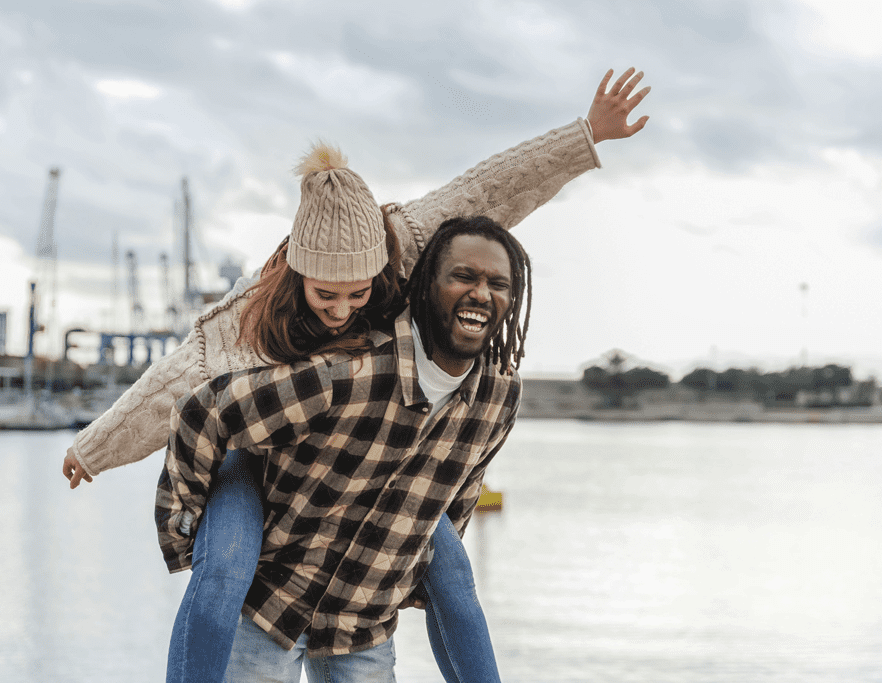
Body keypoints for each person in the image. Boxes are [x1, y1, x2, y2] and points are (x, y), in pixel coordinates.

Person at [63, 67, 651, 682]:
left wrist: (585, 136)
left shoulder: (408, 242)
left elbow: (489, 193)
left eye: (357, 293)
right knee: (227, 573)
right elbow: (170, 393)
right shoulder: (246, 325)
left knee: (450, 569)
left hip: (352, 479)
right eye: (325, 295)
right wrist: (95, 448)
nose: (344, 309)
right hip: (259, 461)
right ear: (298, 274)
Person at [159, 215, 531, 681]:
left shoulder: (500, 395)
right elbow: (205, 411)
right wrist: (188, 526)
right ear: (424, 288)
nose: (481, 292)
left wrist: (412, 573)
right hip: (270, 607)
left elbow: (461, 488)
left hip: (362, 625)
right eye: (463, 276)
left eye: (498, 283)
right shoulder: (345, 372)